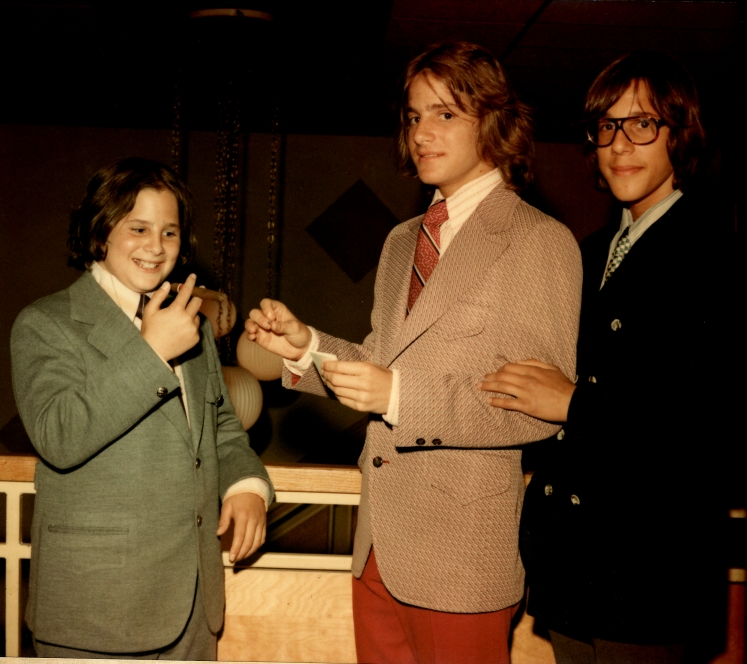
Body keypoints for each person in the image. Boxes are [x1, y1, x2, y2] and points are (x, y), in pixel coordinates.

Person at [245, 42, 581, 664]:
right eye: (413, 115)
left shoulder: (539, 240)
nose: (422, 133)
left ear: (493, 120)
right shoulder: (404, 240)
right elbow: (381, 363)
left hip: (461, 563)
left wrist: (399, 395)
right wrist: (307, 347)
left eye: (445, 114)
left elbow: (537, 411)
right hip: (377, 547)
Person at [481, 52, 738, 663]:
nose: (621, 145)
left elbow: (710, 423)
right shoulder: (590, 251)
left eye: (643, 124)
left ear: (680, 133)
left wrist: (575, 403)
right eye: (607, 126)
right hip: (575, 568)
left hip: (652, 572)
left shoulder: (716, 255)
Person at [11, 157, 273, 659]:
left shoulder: (191, 323)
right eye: (138, 228)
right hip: (96, 612)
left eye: (169, 232)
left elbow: (219, 424)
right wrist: (152, 352)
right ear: (100, 231)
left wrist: (246, 486)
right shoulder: (46, 323)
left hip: (194, 610)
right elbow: (58, 435)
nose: (156, 246)